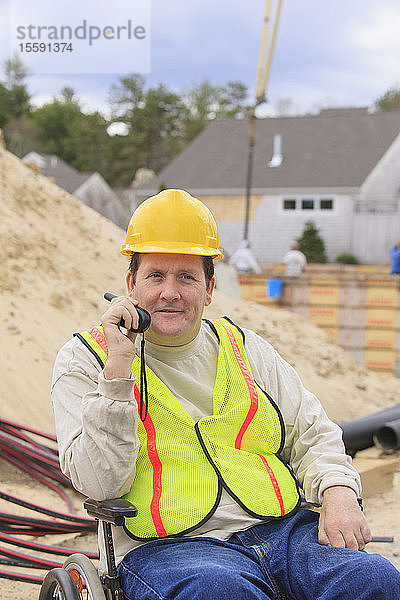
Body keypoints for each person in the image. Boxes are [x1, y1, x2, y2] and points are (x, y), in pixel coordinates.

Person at [52, 189, 400, 600]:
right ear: (131, 284)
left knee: (376, 579)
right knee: (219, 591)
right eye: (155, 276)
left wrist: (339, 491)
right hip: (169, 549)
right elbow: (99, 483)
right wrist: (118, 370)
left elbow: (313, 432)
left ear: (210, 288)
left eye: (186, 277)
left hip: (283, 535)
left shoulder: (247, 349)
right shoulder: (86, 360)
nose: (170, 292)